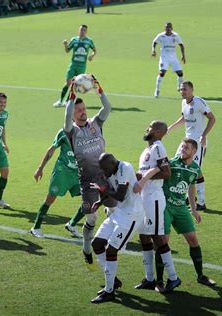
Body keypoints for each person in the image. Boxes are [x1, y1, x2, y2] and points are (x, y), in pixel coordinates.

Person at [89, 153, 157, 303]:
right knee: (97, 244)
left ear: (113, 164)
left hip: (132, 215)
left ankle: (109, 291)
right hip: (120, 212)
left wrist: (102, 189)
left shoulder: (124, 168)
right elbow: (112, 192)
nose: (104, 173)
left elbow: (119, 195)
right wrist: (100, 202)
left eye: (105, 169)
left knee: (111, 250)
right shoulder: (111, 170)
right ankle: (113, 282)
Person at [63, 75, 113, 270]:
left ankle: (106, 243)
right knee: (91, 218)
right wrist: (71, 96)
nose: (83, 112)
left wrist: (99, 89)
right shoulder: (71, 131)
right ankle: (86, 247)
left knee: (114, 210)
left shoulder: (96, 124)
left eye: (84, 109)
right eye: (79, 110)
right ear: (74, 114)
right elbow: (66, 118)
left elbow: (107, 108)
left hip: (106, 176)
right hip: (88, 180)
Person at [155, 138, 216, 292]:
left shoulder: (195, 169)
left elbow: (191, 187)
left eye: (186, 148)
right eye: (181, 147)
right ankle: (160, 281)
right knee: (163, 242)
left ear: (194, 151)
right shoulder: (172, 164)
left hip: (181, 208)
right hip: (166, 207)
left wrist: (194, 209)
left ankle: (200, 275)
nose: (182, 150)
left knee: (194, 240)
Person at [135, 121, 181, 293]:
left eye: (151, 127)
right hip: (144, 198)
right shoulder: (148, 149)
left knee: (158, 237)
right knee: (145, 238)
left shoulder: (158, 147)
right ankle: (149, 278)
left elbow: (167, 173)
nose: (147, 128)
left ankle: (174, 277)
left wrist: (146, 178)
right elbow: (146, 172)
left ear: (160, 132)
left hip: (154, 198)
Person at [167, 81, 216, 210]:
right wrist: (170, 128)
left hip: (197, 143)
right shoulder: (183, 103)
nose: (183, 91)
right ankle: (189, 198)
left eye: (185, 89)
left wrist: (204, 135)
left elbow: (212, 118)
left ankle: (201, 202)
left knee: (195, 171)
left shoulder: (199, 102)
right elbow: (184, 118)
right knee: (177, 163)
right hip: (186, 141)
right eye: (181, 89)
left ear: (192, 89)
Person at [30, 129, 84, 238]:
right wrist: (40, 168)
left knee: (90, 199)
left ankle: (72, 224)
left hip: (78, 172)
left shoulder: (87, 131)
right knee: (51, 198)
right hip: (62, 171)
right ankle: (36, 227)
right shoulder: (64, 132)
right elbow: (51, 150)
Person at [53, 25, 96, 107]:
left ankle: (67, 101)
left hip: (82, 66)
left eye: (84, 30)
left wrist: (92, 56)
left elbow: (94, 50)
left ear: (86, 32)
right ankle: (60, 101)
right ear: (78, 30)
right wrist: (65, 45)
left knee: (75, 85)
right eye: (81, 30)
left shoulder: (89, 41)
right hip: (73, 64)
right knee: (68, 82)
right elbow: (67, 50)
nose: (82, 31)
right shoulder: (74, 40)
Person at [151, 22, 185, 98]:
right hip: (164, 57)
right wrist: (153, 50)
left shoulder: (175, 36)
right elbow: (154, 42)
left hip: (173, 58)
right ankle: (157, 90)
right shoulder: (161, 35)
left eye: (169, 27)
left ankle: (179, 86)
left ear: (172, 28)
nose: (168, 28)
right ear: (164, 28)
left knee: (180, 73)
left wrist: (183, 56)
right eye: (166, 27)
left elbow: (181, 45)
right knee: (162, 73)